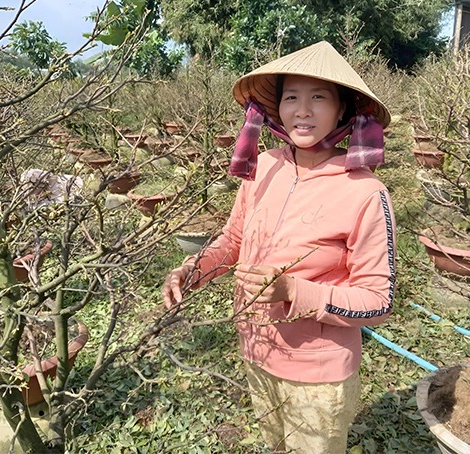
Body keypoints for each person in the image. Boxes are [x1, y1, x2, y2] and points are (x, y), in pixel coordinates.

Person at [162, 41, 396, 453]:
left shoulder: (365, 192)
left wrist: (294, 291)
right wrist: (191, 270)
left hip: (317, 375)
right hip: (256, 350)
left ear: (342, 110)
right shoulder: (266, 165)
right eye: (292, 97)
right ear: (278, 107)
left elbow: (378, 301)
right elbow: (235, 239)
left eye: (318, 98)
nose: (302, 110)